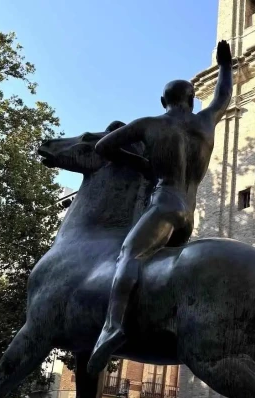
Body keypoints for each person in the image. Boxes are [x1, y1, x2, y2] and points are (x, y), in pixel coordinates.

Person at [87, 40, 233, 374]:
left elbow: (102, 146)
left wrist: (141, 164)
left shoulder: (149, 123)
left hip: (165, 204)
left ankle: (113, 326)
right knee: (164, 274)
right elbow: (224, 96)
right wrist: (226, 66)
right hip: (188, 215)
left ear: (163, 100)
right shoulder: (206, 121)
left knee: (129, 253)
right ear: (192, 99)